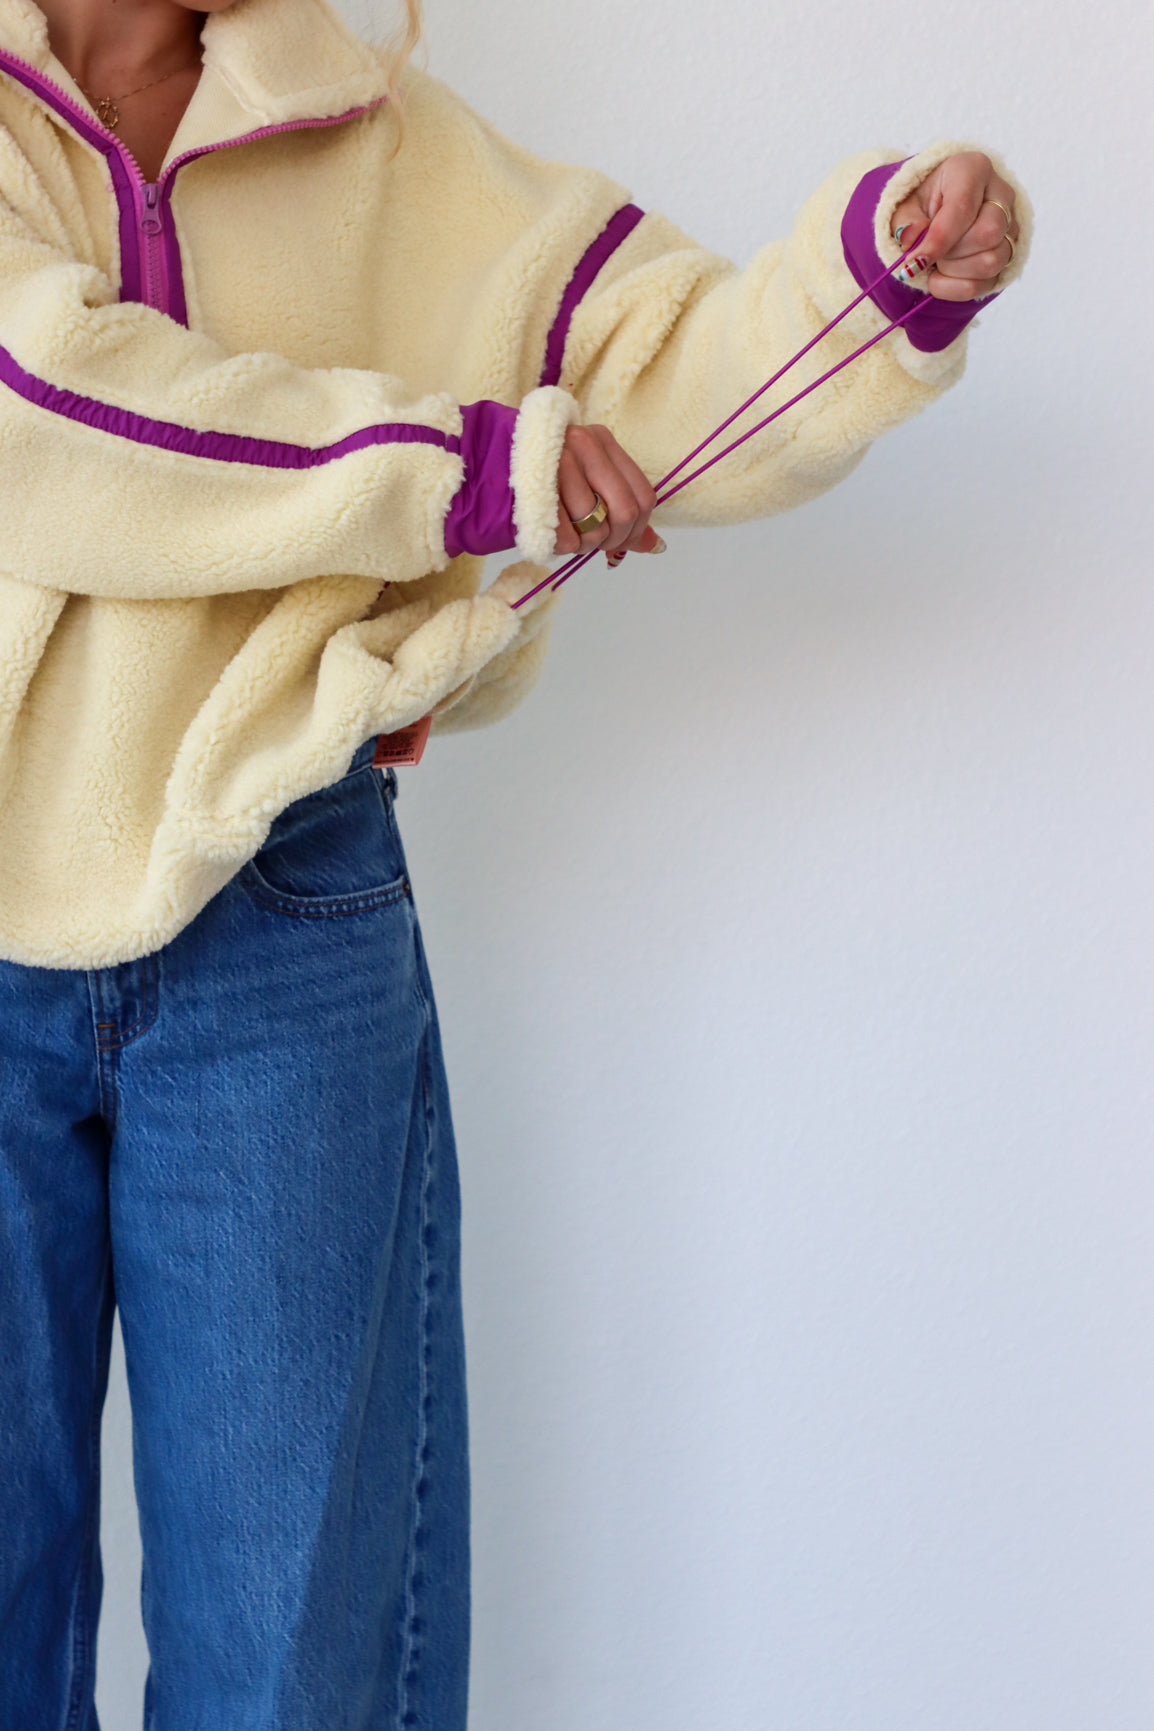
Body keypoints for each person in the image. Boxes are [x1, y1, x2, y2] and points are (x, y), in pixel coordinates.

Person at [0, 0, 1029, 1724]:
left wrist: (883, 276)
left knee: (296, 1659)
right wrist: (460, 470)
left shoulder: (388, 136)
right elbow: (39, 413)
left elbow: (670, 360)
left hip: (277, 911)